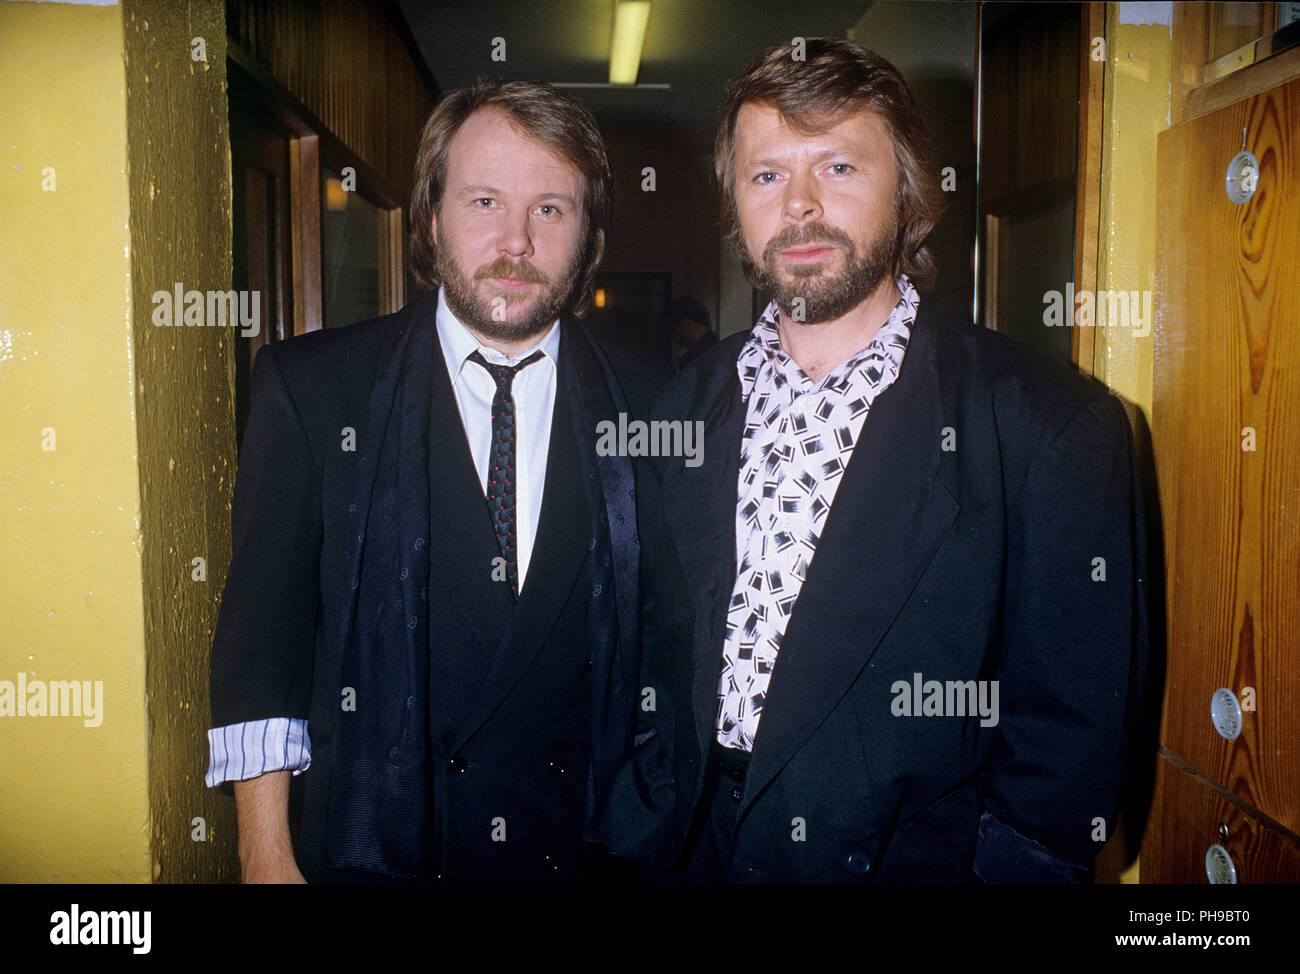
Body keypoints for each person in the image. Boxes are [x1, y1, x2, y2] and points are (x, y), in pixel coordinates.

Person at [596, 38, 1149, 883]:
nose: (801, 206)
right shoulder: (677, 407)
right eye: (767, 175)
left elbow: (1067, 759)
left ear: (911, 192)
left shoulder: (1048, 427)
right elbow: (642, 648)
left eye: (840, 168)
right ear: (734, 203)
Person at [207, 80, 656, 883]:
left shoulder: (656, 404)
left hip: (581, 854)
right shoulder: (313, 390)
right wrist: (264, 852)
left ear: (589, 236)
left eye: (550, 209)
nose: (515, 242)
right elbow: (262, 640)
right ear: (431, 215)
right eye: (485, 200)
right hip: (382, 849)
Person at [660, 296, 718, 370]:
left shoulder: (699, 359)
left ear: (686, 324)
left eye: (673, 329)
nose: (674, 337)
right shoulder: (717, 348)